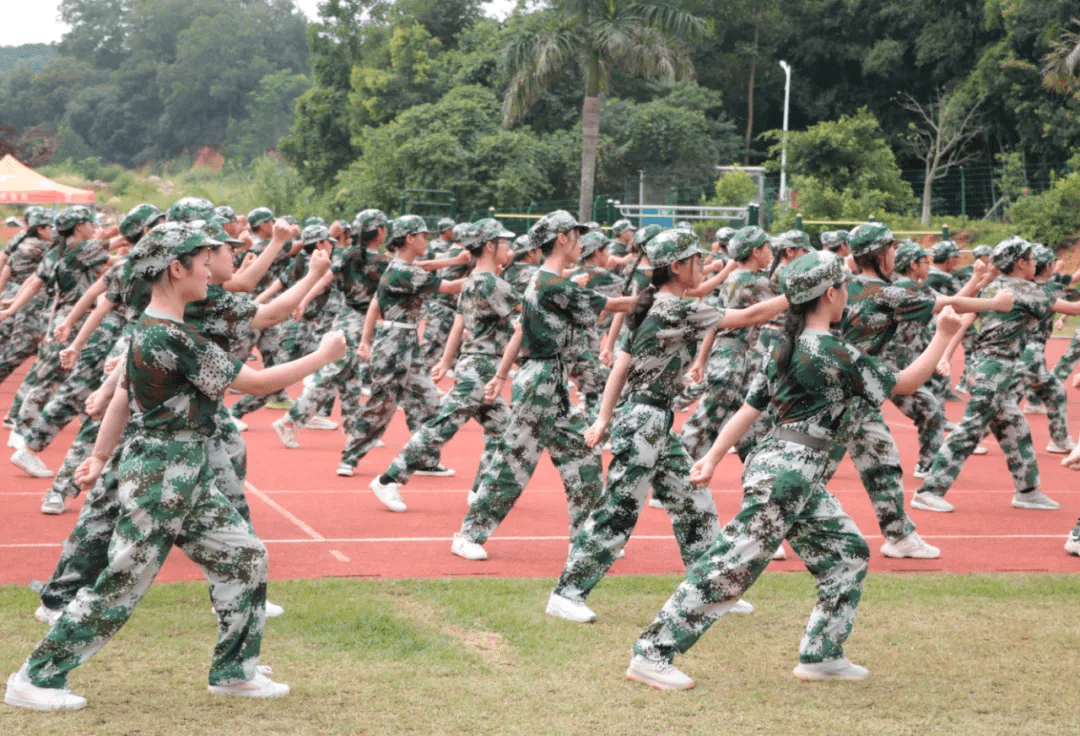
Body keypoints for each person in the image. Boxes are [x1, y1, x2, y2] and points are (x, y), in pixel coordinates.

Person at [3, 222, 347, 711]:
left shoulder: (158, 329)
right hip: (162, 472)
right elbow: (253, 384)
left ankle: (234, 672)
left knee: (245, 555)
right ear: (175, 268)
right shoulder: (170, 336)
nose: (211, 268)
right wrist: (323, 355)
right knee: (122, 581)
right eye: (202, 260)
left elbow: (121, 398)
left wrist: (100, 457)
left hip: (183, 466)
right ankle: (34, 676)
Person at [623, 250, 963, 691]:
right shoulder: (829, 349)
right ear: (829, 294)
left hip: (788, 469)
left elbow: (749, 411)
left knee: (848, 554)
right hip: (788, 474)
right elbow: (907, 382)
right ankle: (652, 652)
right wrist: (945, 335)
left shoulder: (785, 347)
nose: (846, 293)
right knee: (731, 567)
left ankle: (822, 655)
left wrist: (712, 456)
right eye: (841, 287)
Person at [545, 227, 787, 622]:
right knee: (619, 510)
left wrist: (606, 417)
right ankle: (567, 592)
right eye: (695, 261)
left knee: (694, 503)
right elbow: (750, 316)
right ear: (676, 266)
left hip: (652, 420)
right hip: (644, 421)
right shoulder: (675, 308)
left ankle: (711, 591)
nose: (701, 265)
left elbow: (622, 363)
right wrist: (802, 293)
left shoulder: (654, 302)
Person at [450, 210, 635, 561]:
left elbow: (520, 332)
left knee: (583, 455)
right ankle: (469, 535)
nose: (582, 243)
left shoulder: (544, 282)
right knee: (514, 461)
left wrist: (501, 376)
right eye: (577, 237)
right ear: (562, 238)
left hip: (549, 380)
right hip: (540, 382)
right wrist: (658, 300)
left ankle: (586, 536)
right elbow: (611, 305)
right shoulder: (550, 284)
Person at [912, 236, 1080, 513]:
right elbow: (1073, 308)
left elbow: (967, 318)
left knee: (1017, 429)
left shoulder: (994, 286)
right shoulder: (1024, 290)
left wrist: (947, 355)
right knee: (970, 429)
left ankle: (1027, 491)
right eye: (1032, 258)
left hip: (988, 367)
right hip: (995, 370)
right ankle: (929, 490)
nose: (1036, 263)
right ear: (1020, 262)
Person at [368, 218, 518, 511]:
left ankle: (481, 491)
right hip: (480, 371)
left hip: (477, 367)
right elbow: (531, 311)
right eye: (504, 243)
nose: (509, 249)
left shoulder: (476, 280)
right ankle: (389, 479)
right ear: (490, 246)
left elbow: (460, 321)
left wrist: (446, 359)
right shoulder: (491, 283)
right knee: (440, 427)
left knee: (502, 429)